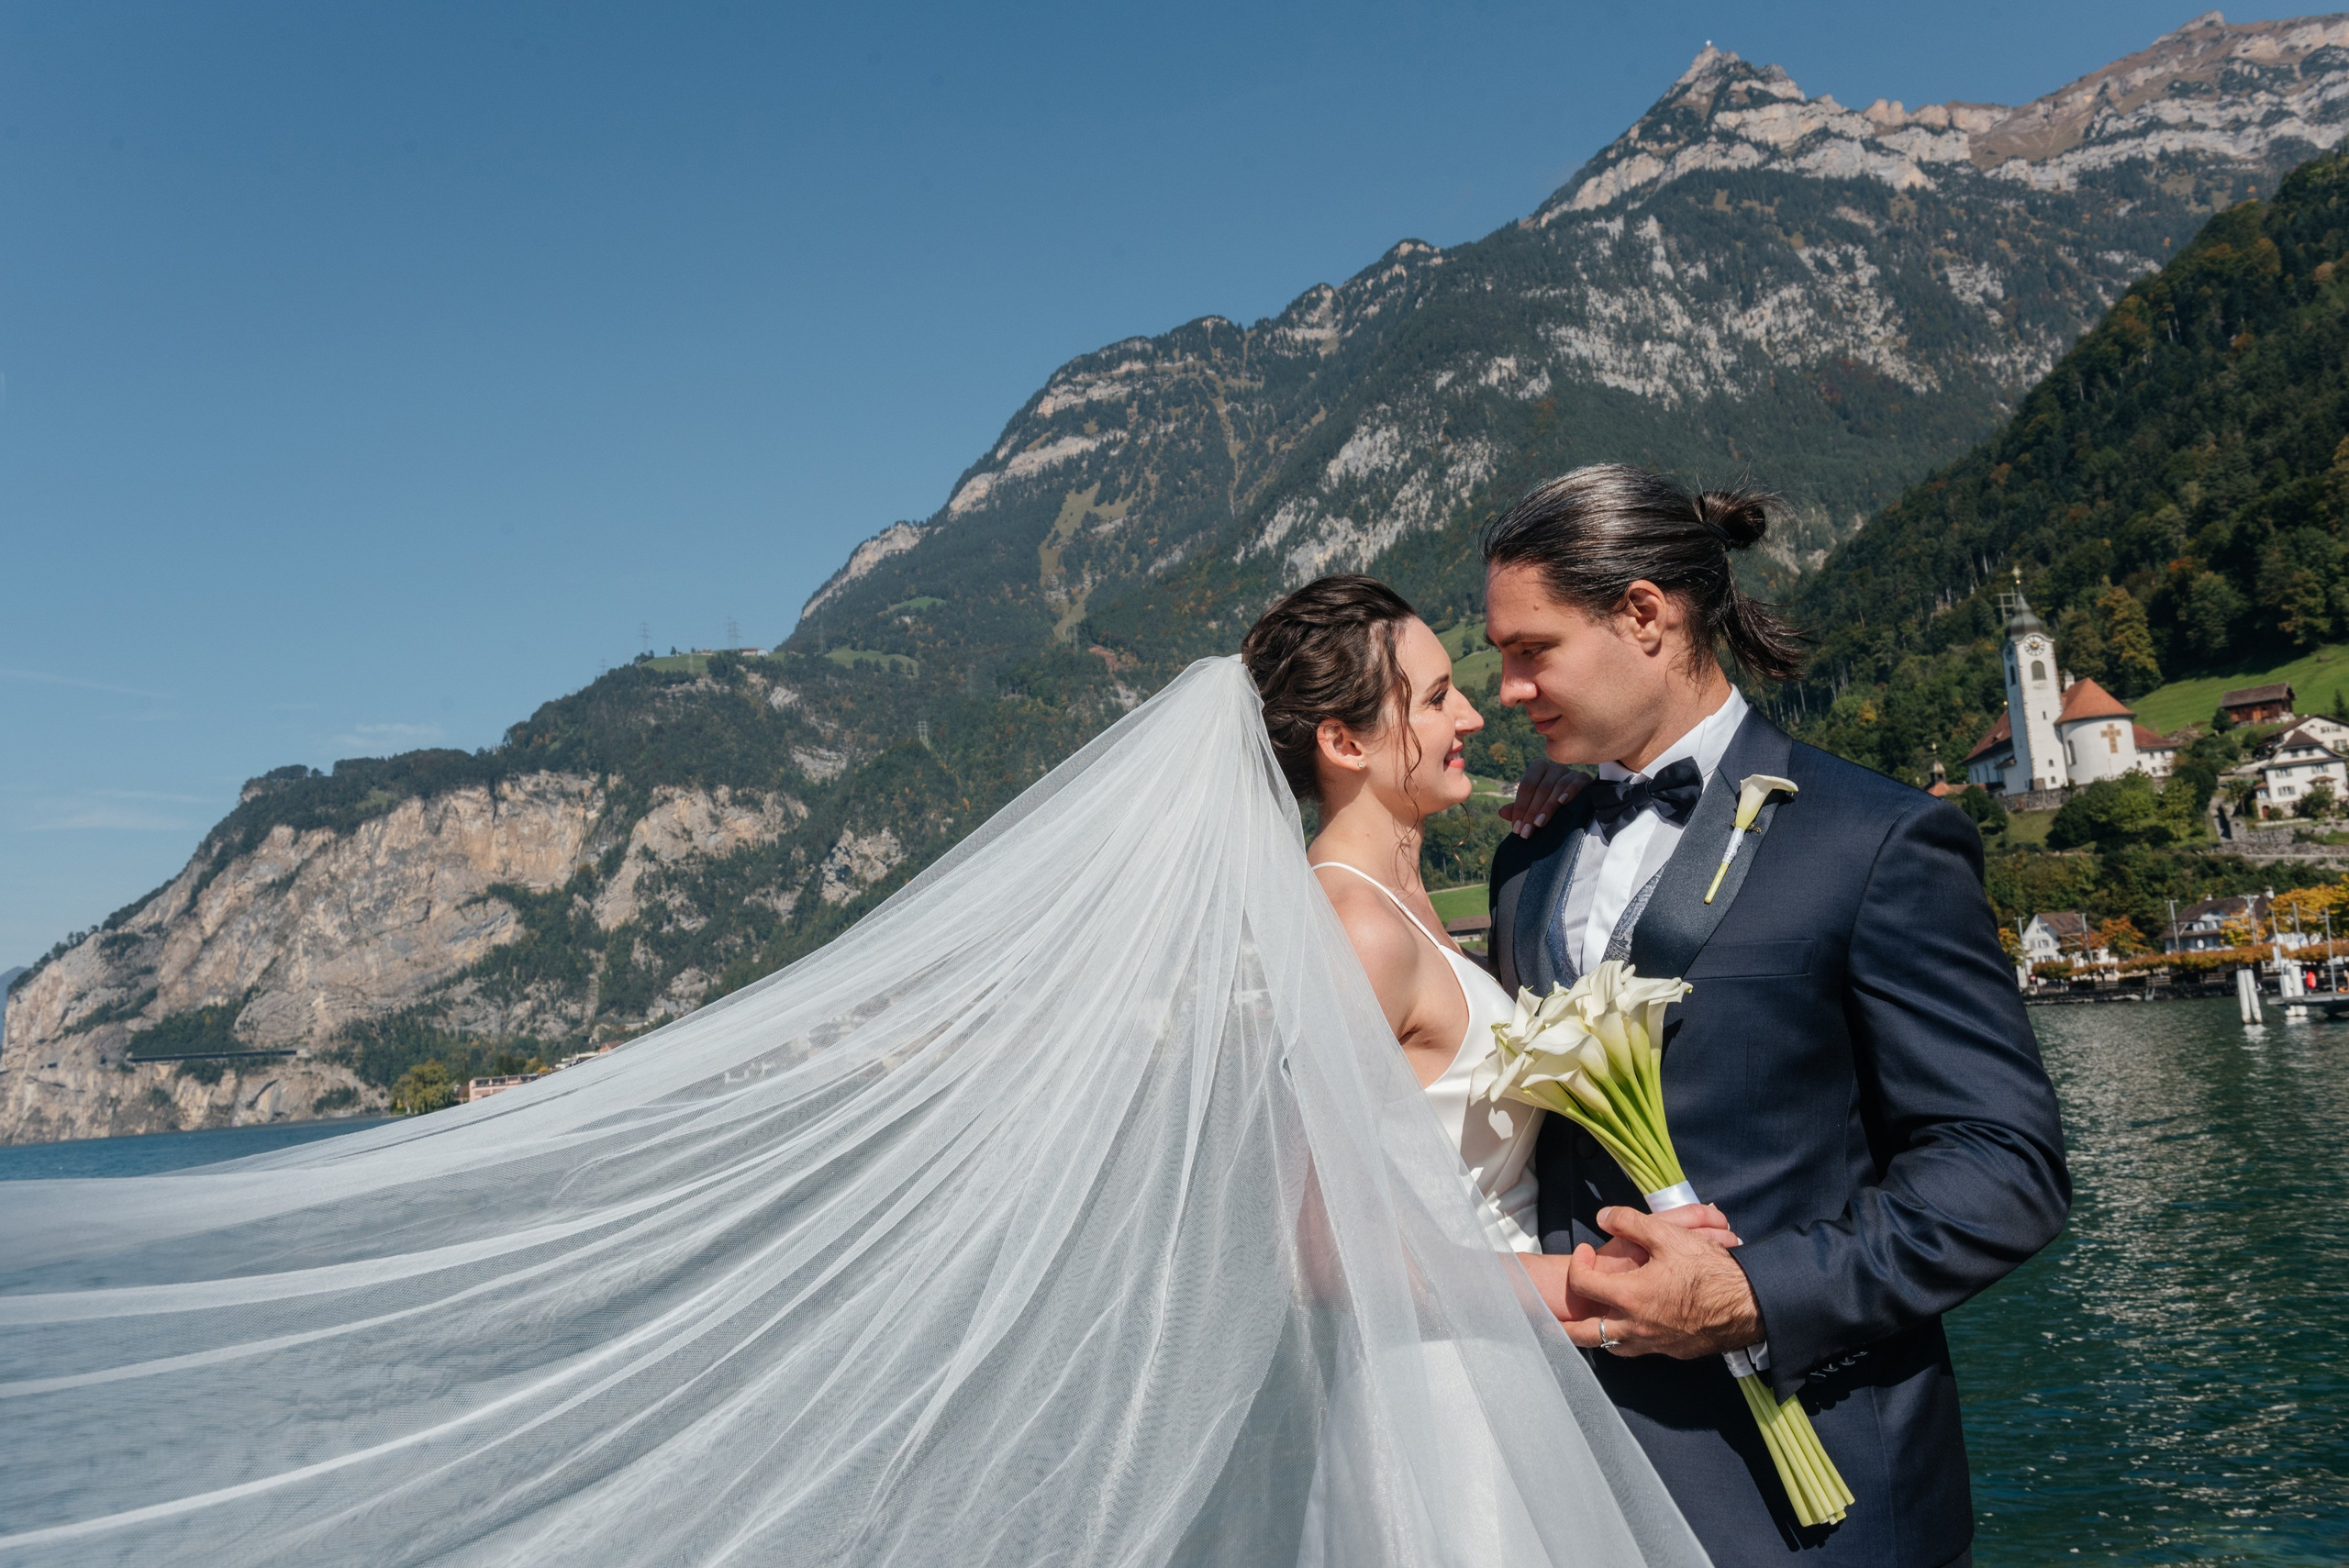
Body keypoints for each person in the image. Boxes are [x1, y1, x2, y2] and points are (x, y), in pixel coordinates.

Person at [0, 650, 1710, 1568]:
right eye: (1432, 689)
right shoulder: (1346, 921)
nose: (1472, 707)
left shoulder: (1442, 897)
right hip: (1459, 1385)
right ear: (1347, 736)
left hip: (1519, 1369)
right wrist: (1584, 1287)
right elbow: (1329, 1241)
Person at [1482, 465, 2071, 1568]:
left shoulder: (1876, 838)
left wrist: (1755, 1291)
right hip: (1576, 1486)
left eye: (1531, 650)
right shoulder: (1528, 854)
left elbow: (2003, 1166)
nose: (1508, 688)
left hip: (1824, 1493)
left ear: (1643, 615)